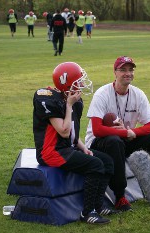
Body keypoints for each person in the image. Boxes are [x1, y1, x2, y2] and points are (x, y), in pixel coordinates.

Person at [85, 56, 150, 211]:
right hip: (99, 143)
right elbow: (97, 129)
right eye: (123, 70)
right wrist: (124, 134)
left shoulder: (138, 94)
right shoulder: (102, 94)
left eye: (131, 70)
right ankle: (120, 197)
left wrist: (130, 132)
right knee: (115, 141)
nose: (128, 73)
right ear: (115, 72)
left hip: (124, 139)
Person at [33, 62, 117, 224]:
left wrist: (83, 147)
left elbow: (71, 133)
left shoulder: (75, 102)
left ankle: (98, 205)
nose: (82, 84)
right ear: (67, 83)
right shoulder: (50, 99)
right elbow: (63, 130)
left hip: (67, 147)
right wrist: (69, 105)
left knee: (107, 162)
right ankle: (87, 212)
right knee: (95, 165)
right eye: (78, 81)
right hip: (51, 152)